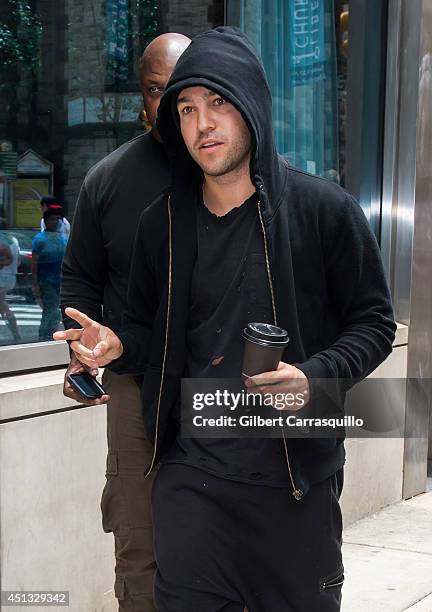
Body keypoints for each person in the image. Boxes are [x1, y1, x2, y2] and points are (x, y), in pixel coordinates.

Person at [55, 28, 396, 611]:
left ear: (252, 107)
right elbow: (143, 336)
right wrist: (114, 346)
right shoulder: (161, 223)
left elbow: (375, 322)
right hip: (191, 485)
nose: (201, 124)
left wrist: (316, 377)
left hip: (293, 485)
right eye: (185, 109)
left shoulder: (323, 211)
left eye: (218, 103)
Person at [59, 33, 191, 612]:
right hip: (133, 388)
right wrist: (79, 353)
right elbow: (81, 282)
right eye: (156, 90)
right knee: (139, 543)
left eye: (179, 88)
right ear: (143, 98)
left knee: (218, 539)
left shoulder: (231, 171)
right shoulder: (107, 181)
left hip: (217, 384)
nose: (168, 103)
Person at [32, 209, 68, 340]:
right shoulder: (39, 239)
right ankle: (44, 338)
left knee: (58, 311)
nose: (55, 222)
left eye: (57, 219)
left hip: (62, 281)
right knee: (50, 310)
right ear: (46, 221)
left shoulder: (63, 238)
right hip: (46, 281)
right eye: (52, 219)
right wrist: (35, 284)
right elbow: (34, 263)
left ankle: (51, 337)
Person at [0, 232, 21, 341]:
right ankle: (15, 334)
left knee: (3, 306)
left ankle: (16, 334)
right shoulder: (13, 239)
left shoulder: (2, 240)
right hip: (10, 276)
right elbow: (18, 261)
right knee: (2, 306)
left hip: (2, 277)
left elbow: (8, 259)